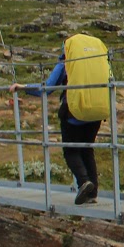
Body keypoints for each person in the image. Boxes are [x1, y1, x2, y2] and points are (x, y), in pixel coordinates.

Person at [10, 44, 103, 205]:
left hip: (74, 113)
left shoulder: (66, 62)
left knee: (70, 151)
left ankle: (83, 182)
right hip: (96, 112)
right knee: (87, 150)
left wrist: (22, 87)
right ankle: (92, 194)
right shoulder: (96, 62)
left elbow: (45, 88)